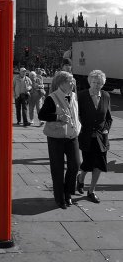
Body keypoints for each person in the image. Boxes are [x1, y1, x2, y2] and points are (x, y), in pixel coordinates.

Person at [38, 71, 81, 209]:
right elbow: (42, 114)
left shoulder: (73, 95)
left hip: (72, 136)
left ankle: (68, 193)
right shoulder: (52, 97)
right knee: (57, 168)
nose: (72, 83)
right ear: (62, 83)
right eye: (70, 81)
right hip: (56, 137)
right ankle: (60, 198)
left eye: (73, 81)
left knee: (75, 165)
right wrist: (58, 117)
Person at [76, 70, 113, 203]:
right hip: (86, 136)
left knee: (100, 164)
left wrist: (106, 130)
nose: (97, 85)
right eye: (94, 82)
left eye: (99, 83)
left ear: (103, 84)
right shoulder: (81, 96)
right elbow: (77, 115)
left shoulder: (106, 96)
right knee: (87, 164)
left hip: (101, 137)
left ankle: (91, 191)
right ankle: (80, 178)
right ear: (90, 82)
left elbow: (108, 118)